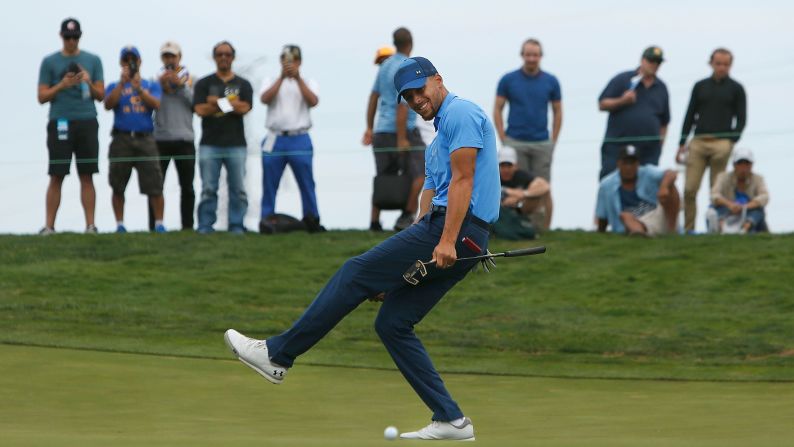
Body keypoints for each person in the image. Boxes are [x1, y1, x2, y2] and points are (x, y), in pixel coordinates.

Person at [224, 57, 500, 442]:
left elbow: (464, 181)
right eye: (408, 96)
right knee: (392, 323)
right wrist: (401, 268)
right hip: (454, 232)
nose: (416, 99)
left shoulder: (462, 113)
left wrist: (448, 239)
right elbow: (429, 196)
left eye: (420, 89)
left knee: (354, 272)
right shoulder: (436, 142)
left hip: (459, 228)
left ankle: (277, 355)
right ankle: (451, 419)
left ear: (439, 80)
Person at [37, 18, 104, 234]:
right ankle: (49, 226)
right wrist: (63, 84)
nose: (71, 41)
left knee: (87, 174)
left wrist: (87, 81)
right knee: (57, 174)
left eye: (75, 37)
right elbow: (42, 96)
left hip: (87, 120)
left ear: (80, 37)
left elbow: (101, 95)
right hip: (60, 121)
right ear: (61, 36)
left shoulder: (93, 60)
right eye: (68, 37)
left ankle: (90, 225)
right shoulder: (49, 62)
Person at [362, 27, 426, 232]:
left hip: (381, 130)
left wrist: (370, 128)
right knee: (421, 172)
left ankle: (374, 222)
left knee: (383, 177)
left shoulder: (385, 65)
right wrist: (401, 138)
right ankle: (406, 216)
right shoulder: (407, 66)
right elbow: (403, 104)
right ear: (411, 43)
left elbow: (373, 97)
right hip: (402, 131)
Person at [677, 48, 747, 233]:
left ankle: (714, 229)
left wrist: (732, 139)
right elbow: (690, 114)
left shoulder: (736, 88)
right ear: (711, 63)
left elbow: (741, 118)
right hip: (699, 141)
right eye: (718, 64)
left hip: (722, 143)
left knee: (716, 190)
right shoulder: (700, 86)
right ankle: (688, 230)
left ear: (730, 65)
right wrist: (682, 142)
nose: (722, 67)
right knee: (689, 189)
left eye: (726, 64)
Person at [493, 38, 561, 229]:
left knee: (543, 187)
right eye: (528, 54)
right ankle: (519, 225)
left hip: (541, 142)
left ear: (541, 56)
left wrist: (553, 140)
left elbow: (558, 111)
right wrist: (503, 137)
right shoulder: (508, 79)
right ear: (522, 55)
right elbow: (497, 108)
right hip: (515, 141)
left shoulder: (551, 81)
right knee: (514, 188)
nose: (532, 58)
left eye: (535, 55)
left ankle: (545, 229)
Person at [259, 45, 324, 234]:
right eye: (286, 60)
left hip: (299, 137)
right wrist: (281, 77)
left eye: (294, 60)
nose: (290, 64)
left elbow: (313, 101)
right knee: (269, 183)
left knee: (307, 182)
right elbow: (265, 98)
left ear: (300, 62)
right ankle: (266, 219)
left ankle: (312, 218)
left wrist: (297, 78)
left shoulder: (308, 81)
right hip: (275, 137)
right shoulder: (270, 80)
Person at [193, 41, 253, 234]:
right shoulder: (204, 83)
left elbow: (245, 108)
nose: (223, 57)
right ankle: (205, 225)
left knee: (238, 189)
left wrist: (217, 102)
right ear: (215, 57)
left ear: (233, 57)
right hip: (209, 144)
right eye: (219, 54)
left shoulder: (243, 84)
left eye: (227, 54)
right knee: (208, 188)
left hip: (236, 144)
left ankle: (236, 225)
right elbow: (200, 109)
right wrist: (231, 104)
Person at [104, 46, 165, 233]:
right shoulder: (114, 86)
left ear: (139, 62)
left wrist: (139, 89)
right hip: (121, 138)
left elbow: (156, 104)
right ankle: (120, 224)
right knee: (118, 183)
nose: (130, 63)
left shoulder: (150, 84)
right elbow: (108, 104)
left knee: (154, 184)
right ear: (121, 63)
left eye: (133, 60)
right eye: (126, 60)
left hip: (145, 138)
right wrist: (123, 84)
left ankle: (159, 224)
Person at [598, 46, 670, 179]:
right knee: (610, 182)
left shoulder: (661, 87)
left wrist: (659, 146)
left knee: (646, 189)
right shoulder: (623, 79)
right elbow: (602, 104)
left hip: (648, 151)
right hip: (617, 147)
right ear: (642, 60)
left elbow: (664, 122)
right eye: (651, 61)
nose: (654, 65)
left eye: (658, 62)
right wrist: (622, 101)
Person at [149, 41, 196, 231]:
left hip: (185, 139)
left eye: (172, 56)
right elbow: (149, 104)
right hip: (160, 139)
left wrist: (180, 85)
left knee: (187, 186)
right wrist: (160, 87)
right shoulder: (154, 80)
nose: (169, 60)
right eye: (166, 56)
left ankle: (187, 226)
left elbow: (196, 104)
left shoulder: (192, 79)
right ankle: (155, 226)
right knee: (156, 186)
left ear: (179, 57)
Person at [596, 145, 679, 236]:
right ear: (618, 164)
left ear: (638, 164)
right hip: (631, 222)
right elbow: (602, 216)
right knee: (625, 216)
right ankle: (640, 234)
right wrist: (600, 233)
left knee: (671, 186)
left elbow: (671, 173)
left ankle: (672, 231)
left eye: (632, 163)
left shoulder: (647, 172)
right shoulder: (607, 185)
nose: (628, 167)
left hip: (656, 216)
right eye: (625, 163)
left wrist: (664, 187)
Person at [709, 148, 768, 234]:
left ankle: (745, 229)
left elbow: (764, 197)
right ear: (734, 165)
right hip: (727, 211)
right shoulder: (723, 177)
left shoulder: (758, 179)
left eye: (747, 164)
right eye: (740, 164)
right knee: (715, 209)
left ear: (751, 165)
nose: (743, 168)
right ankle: (722, 228)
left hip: (748, 213)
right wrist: (730, 205)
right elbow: (714, 195)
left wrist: (744, 207)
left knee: (758, 210)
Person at [499, 146, 550, 227]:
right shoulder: (493, 177)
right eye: (502, 166)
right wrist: (508, 193)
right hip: (499, 211)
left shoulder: (521, 175)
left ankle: (543, 228)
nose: (506, 169)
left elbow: (545, 186)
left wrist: (523, 195)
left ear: (515, 166)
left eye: (509, 166)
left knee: (543, 192)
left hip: (519, 208)